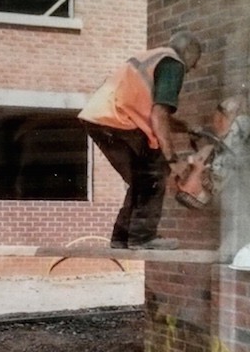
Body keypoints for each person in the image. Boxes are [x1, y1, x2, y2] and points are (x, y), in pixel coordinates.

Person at [78, 30, 201, 250]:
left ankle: (121, 238)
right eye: (196, 59)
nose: (195, 67)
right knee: (155, 171)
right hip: (119, 120)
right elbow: (159, 116)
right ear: (189, 50)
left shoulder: (154, 57)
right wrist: (172, 160)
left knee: (140, 179)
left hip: (102, 118)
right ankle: (143, 238)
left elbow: (153, 112)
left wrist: (185, 127)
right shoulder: (173, 64)